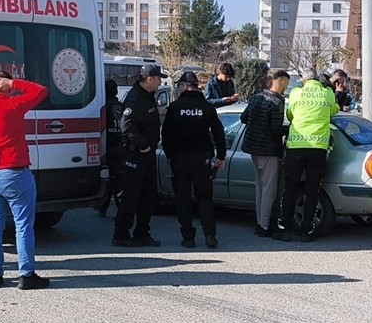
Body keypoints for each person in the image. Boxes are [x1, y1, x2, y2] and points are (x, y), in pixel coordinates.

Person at [0, 71, 50, 290]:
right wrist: (14, 82)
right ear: (5, 85)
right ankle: (26, 274)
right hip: (14, 172)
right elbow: (41, 91)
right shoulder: (12, 105)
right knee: (23, 225)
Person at [162, 71, 227, 248]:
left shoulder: (175, 107)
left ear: (184, 86)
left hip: (180, 159)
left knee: (183, 198)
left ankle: (188, 236)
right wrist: (221, 156)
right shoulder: (207, 107)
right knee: (205, 197)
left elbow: (166, 134)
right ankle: (209, 234)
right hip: (202, 159)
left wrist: (169, 154)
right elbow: (218, 133)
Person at [275, 68, 337, 242]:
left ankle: (284, 228)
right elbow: (335, 111)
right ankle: (306, 230)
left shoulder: (296, 93)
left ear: (303, 80)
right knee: (312, 189)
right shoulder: (327, 94)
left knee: (289, 187)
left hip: (296, 146)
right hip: (318, 148)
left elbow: (290, 114)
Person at [113, 64, 164, 247]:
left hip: (146, 155)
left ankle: (142, 233)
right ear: (149, 79)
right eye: (159, 78)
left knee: (148, 196)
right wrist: (142, 146)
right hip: (135, 155)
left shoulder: (147, 96)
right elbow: (127, 126)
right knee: (131, 196)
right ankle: (121, 235)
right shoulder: (135, 99)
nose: (161, 82)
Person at [240, 69, 289, 237]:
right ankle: (265, 226)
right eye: (286, 83)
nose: (286, 87)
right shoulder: (277, 102)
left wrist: (257, 125)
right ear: (281, 82)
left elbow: (243, 118)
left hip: (253, 148)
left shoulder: (256, 98)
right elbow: (275, 130)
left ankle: (260, 223)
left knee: (260, 189)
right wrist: (291, 127)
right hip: (269, 150)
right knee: (269, 190)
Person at [96, 79, 124, 217]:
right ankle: (104, 206)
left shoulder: (103, 107)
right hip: (122, 147)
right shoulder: (121, 106)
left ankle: (119, 209)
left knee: (112, 179)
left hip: (109, 148)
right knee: (118, 178)